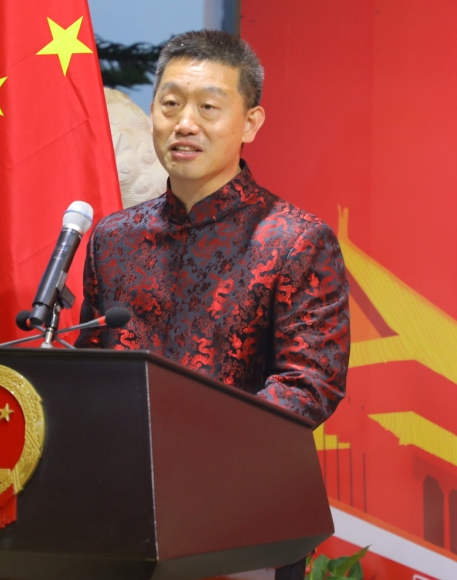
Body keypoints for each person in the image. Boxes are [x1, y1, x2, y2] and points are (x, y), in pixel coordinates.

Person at [75, 30, 350, 427]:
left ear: (250, 124)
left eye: (207, 107)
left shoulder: (296, 240)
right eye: (170, 104)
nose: (185, 124)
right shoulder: (113, 238)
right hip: (122, 473)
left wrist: (191, 439)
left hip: (236, 476)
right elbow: (93, 367)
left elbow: (309, 383)